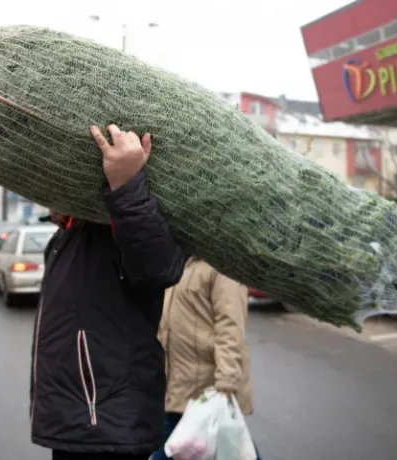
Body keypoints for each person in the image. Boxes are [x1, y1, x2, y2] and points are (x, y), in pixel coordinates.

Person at [30, 124, 186, 460]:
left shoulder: (108, 227)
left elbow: (160, 267)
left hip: (106, 423)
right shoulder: (65, 237)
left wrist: (127, 185)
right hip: (77, 421)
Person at [152, 257, 257, 460]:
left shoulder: (224, 267)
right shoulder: (182, 261)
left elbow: (230, 327)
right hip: (178, 387)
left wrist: (226, 385)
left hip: (205, 393)